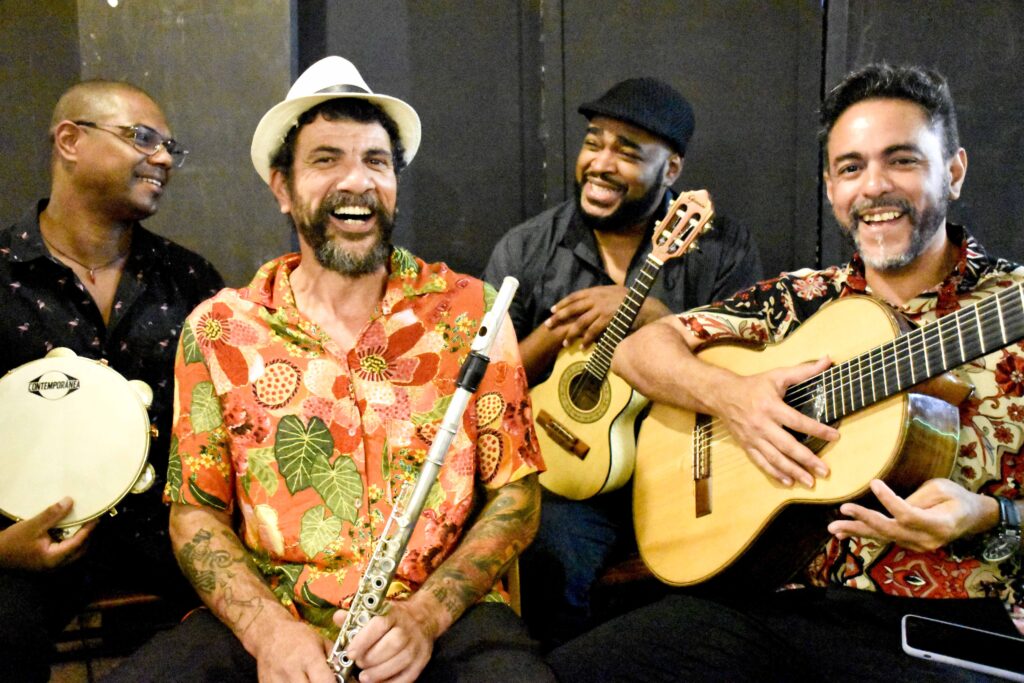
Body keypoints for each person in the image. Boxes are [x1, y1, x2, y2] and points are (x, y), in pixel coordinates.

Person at [548, 63, 1024, 682]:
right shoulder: (799, 299)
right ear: (830, 188)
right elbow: (640, 350)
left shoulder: (1008, 303)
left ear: (953, 171)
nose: (874, 187)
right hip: (771, 605)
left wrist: (989, 515)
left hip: (946, 629)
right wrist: (734, 397)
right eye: (850, 168)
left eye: (902, 160)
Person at [107, 56, 555, 683]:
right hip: (277, 614)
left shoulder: (472, 311)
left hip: (438, 615)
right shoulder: (218, 328)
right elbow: (194, 515)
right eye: (326, 160)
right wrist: (268, 632)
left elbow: (516, 495)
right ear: (282, 188)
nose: (357, 180)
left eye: (376, 161)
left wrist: (427, 615)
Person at [482, 76, 763, 647]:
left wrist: (657, 317)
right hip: (569, 474)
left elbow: (749, 368)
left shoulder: (723, 251)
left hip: (686, 467)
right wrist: (559, 330)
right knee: (546, 552)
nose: (601, 163)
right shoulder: (528, 249)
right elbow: (486, 385)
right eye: (594, 142)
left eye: (628, 152)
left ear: (672, 169)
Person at [0, 80, 224, 681]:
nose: (163, 159)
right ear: (70, 141)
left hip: (173, 540)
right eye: (142, 138)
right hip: (23, 543)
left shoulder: (190, 279)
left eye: (170, 147)